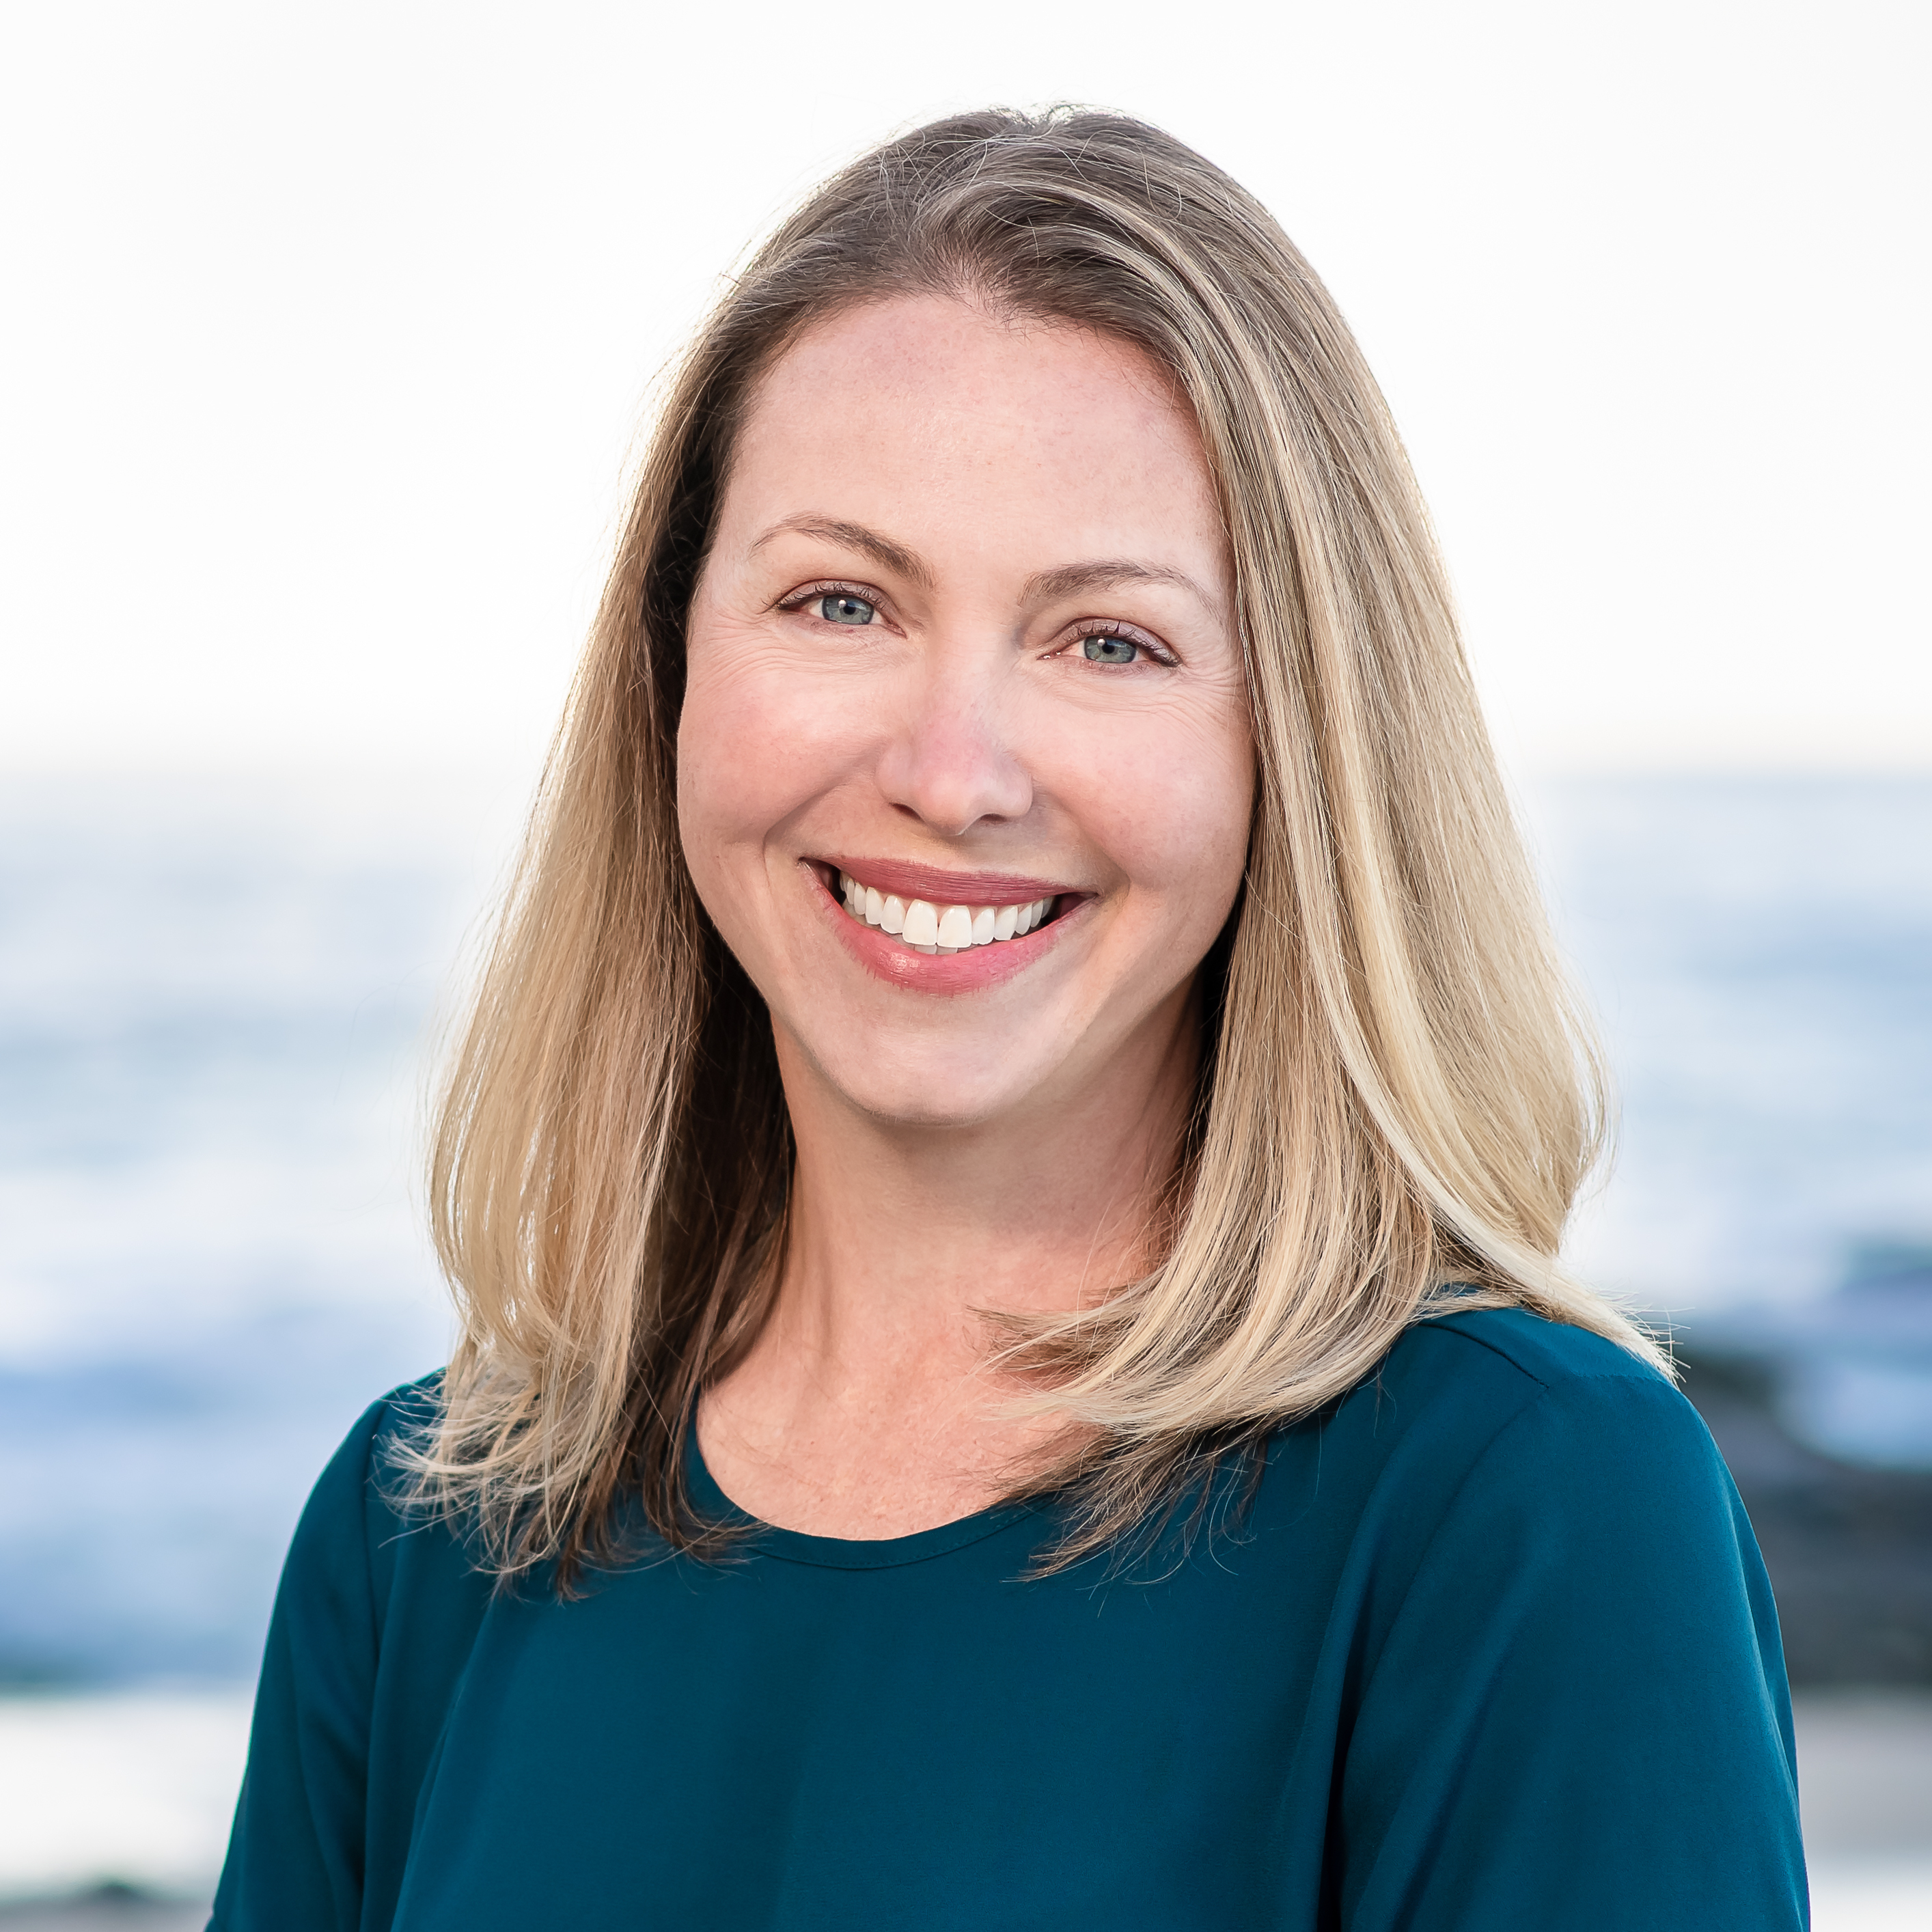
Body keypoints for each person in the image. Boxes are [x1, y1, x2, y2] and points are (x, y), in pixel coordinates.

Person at [210, 107, 1806, 1929]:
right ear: (670, 670)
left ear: (1293, 742)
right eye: (838, 601)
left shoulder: (1524, 1507)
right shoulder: (427, 1531)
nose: (950, 772)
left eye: (1105, 639)